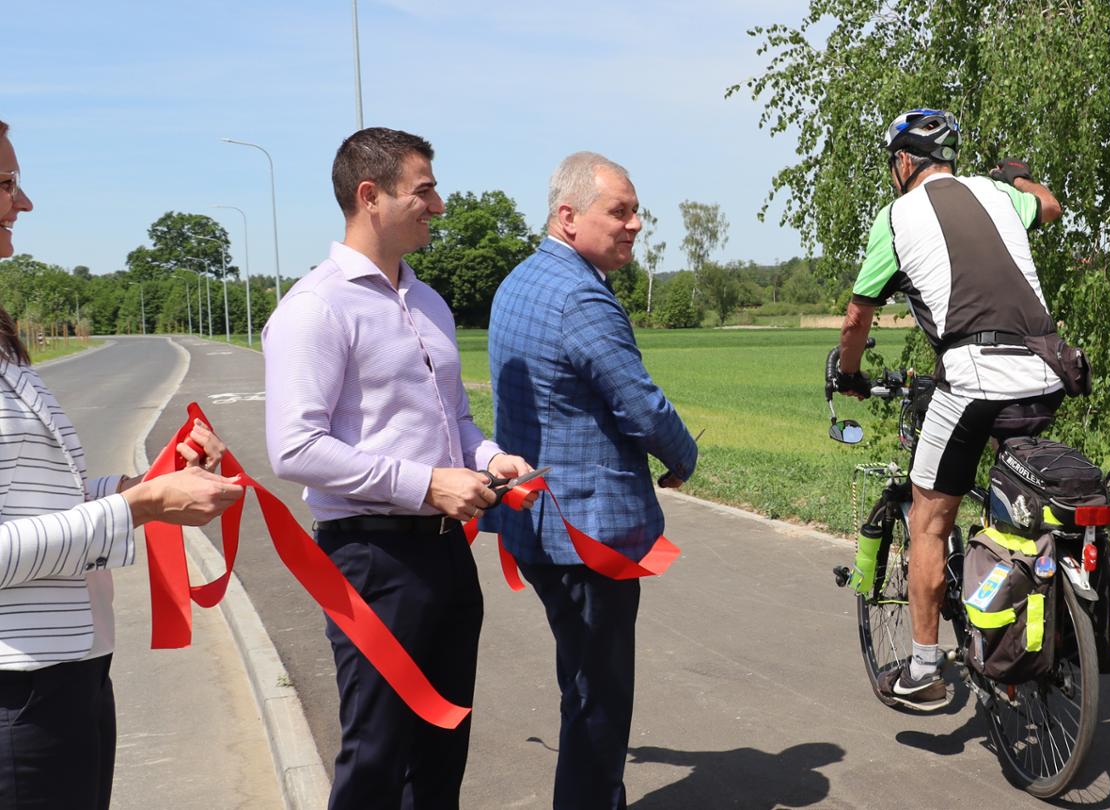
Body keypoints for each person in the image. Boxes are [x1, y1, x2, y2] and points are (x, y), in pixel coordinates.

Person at [263, 127, 531, 810]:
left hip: (446, 557)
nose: (438, 205)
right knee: (377, 757)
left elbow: (453, 424)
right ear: (369, 196)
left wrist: (491, 458)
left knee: (443, 755)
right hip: (371, 560)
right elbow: (294, 448)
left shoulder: (429, 302)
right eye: (424, 190)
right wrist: (428, 483)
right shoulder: (315, 308)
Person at [0, 117, 244, 809]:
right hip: (18, 691)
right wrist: (137, 508)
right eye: (7, 183)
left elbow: (37, 501)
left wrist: (147, 482)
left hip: (65, 675)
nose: (24, 202)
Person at [485, 151, 698, 809]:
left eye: (636, 211)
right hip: (585, 533)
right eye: (621, 211)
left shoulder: (522, 279)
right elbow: (640, 404)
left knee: (580, 683)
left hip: (539, 522)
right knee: (597, 695)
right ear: (568, 215)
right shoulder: (580, 295)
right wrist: (683, 456)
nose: (635, 224)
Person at [831, 109, 1063, 710]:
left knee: (929, 519)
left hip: (971, 377)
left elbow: (858, 314)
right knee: (1015, 506)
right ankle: (1024, 615)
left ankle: (925, 670)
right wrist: (1018, 179)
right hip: (1046, 372)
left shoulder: (897, 216)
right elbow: (1051, 205)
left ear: (904, 162)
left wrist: (849, 372)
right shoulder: (995, 194)